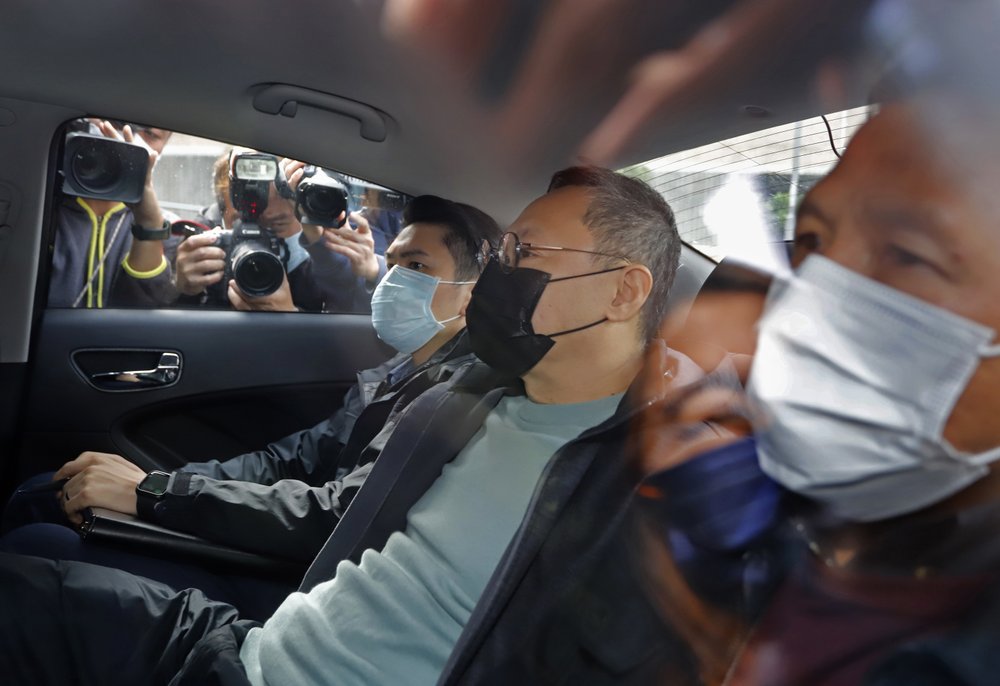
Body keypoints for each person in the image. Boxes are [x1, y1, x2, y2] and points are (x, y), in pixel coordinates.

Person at [0, 165, 704, 685]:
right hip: (253, 645)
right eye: (501, 253)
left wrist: (156, 493)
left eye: (525, 254)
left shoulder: (653, 479)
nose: (500, 276)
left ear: (623, 291)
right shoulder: (476, 390)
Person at [1, 194, 500, 618]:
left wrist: (155, 495)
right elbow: (289, 459)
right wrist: (153, 486)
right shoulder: (400, 371)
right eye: (390, 263)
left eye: (415, 266)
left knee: (38, 549)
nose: (392, 279)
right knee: (43, 493)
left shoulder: (452, 394)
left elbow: (339, 516)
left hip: (308, 585)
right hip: (287, 549)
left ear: (472, 294)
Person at [173, 150, 390, 313]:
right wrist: (182, 289)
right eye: (247, 216)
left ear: (302, 197)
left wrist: (290, 316)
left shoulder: (328, 251)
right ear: (224, 211)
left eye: (283, 195)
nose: (271, 213)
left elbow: (350, 340)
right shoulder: (205, 241)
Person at [48, 119, 177, 308]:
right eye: (115, 123)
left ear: (163, 147)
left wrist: (149, 225)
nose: (127, 138)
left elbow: (144, 311)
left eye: (150, 134)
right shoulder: (39, 211)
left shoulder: (169, 229)